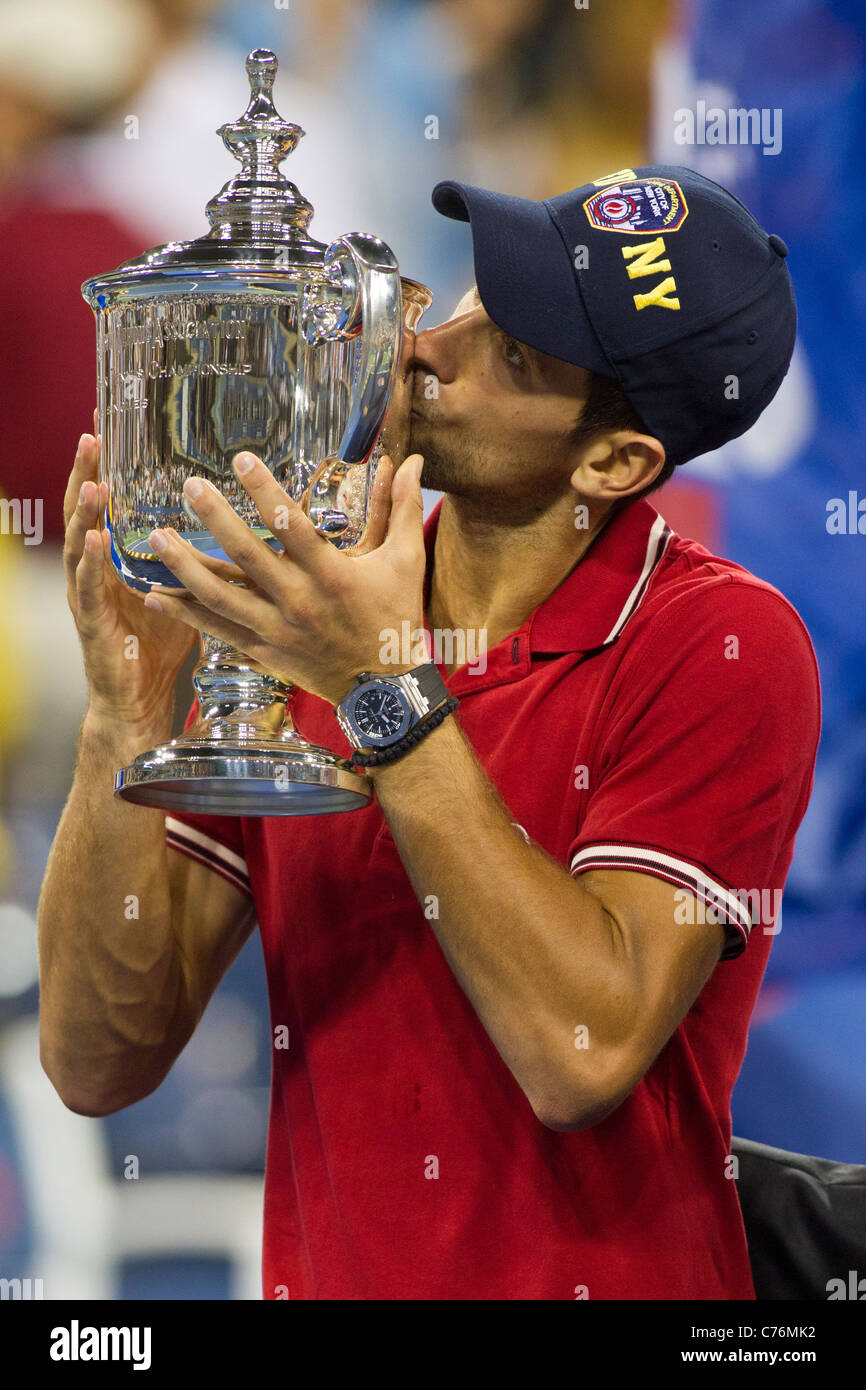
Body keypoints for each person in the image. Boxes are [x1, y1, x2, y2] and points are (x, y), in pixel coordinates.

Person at [39, 166, 821, 1300]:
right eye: (468, 301)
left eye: (510, 355)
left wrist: (377, 687)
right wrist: (122, 713)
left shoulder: (721, 645)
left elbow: (581, 1050)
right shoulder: (311, 600)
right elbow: (98, 1057)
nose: (427, 349)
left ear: (612, 464)